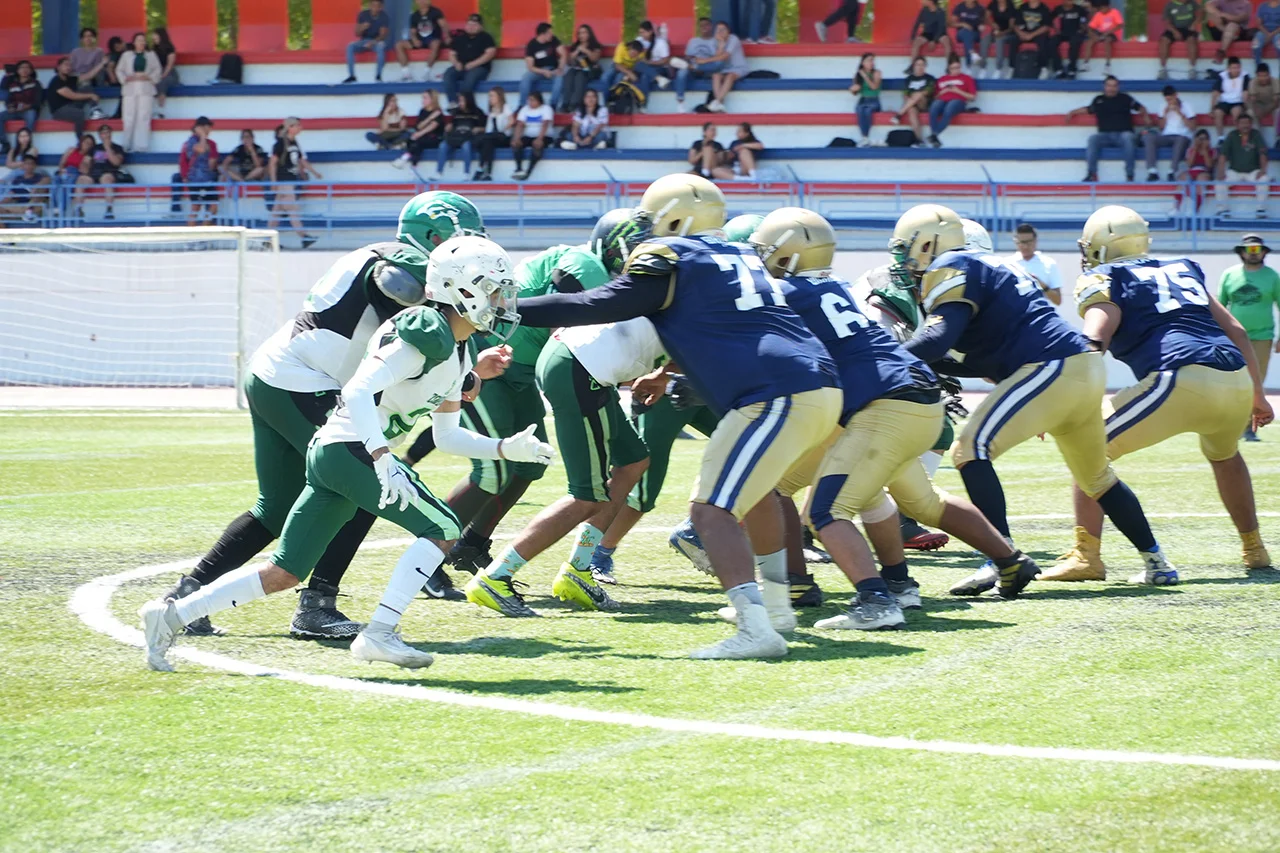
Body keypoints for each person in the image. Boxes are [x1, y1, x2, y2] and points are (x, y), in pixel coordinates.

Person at [139, 237, 550, 672]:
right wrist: (381, 455)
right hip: (348, 446)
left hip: (337, 453)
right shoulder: (424, 332)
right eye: (494, 290)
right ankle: (380, 634)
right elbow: (357, 389)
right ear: (459, 289)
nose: (503, 301)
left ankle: (170, 614)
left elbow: (447, 437)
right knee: (443, 526)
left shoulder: (458, 348)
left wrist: (505, 448)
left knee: (286, 572)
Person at [512, 174, 845, 660]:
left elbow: (598, 303)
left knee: (710, 511)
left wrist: (508, 309)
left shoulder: (674, 256)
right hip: (818, 385)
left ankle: (756, 628)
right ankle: (776, 606)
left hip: (773, 392)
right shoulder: (743, 254)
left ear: (675, 219)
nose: (646, 231)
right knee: (756, 498)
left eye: (651, 220)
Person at [160, 193, 487, 639]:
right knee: (360, 479)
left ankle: (188, 592)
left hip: (276, 374)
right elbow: (405, 297)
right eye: (462, 240)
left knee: (277, 508)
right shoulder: (403, 264)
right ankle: (317, 604)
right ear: (434, 237)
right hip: (304, 382)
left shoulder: (384, 254)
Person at [745, 209, 1038, 629]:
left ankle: (870, 600)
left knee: (825, 511)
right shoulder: (838, 287)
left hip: (882, 408)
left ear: (788, 254)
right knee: (922, 502)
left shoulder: (787, 293)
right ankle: (1005, 562)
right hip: (918, 400)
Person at [892, 203, 1176, 595]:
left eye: (907, 248)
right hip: (1081, 367)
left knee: (970, 449)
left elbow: (939, 339)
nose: (905, 259)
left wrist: (882, 361)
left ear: (929, 243)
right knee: (1096, 476)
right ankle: (1157, 561)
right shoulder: (998, 270)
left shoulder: (955, 267)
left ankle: (1001, 559)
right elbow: (982, 356)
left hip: (1051, 367)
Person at [1043, 207, 1273, 582]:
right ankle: (1254, 549)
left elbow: (1095, 338)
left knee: (1086, 446)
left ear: (1100, 246)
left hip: (1180, 376)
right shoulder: (1183, 267)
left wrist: (1059, 397)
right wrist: (1258, 395)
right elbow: (1237, 330)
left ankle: (1087, 556)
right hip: (1234, 377)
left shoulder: (1105, 276)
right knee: (1226, 455)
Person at [423, 209, 629, 581]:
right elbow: (568, 320)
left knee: (531, 462)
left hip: (519, 369)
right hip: (487, 361)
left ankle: (472, 544)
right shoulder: (584, 264)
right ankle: (428, 558)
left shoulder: (589, 266)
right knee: (492, 468)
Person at [1218, 233, 1280, 440]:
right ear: (1242, 253)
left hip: (1263, 336)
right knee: (1232, 379)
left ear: (1263, 252)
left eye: (1257, 249)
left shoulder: (1272, 276)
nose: (1253, 254)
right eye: (1249, 250)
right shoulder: (1229, 274)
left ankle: (1248, 428)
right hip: (1233, 337)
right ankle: (1229, 424)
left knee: (1256, 383)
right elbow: (1220, 306)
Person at [1067, 75, 1150, 183]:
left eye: (1114, 86)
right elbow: (1088, 109)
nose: (1111, 88)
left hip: (1123, 135)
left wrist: (1146, 118)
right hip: (1105, 136)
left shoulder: (1125, 98)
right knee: (1093, 139)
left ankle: (1130, 175)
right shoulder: (1099, 99)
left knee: (1128, 137)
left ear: (1118, 87)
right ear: (1104, 86)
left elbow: (1141, 108)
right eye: (1109, 85)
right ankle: (1091, 174)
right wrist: (1072, 112)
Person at [268, 117, 322, 249]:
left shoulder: (294, 142)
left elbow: (300, 161)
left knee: (277, 212)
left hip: (290, 180)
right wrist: (274, 181)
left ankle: (266, 240)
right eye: (297, 125)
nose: (300, 128)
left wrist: (314, 172)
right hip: (284, 180)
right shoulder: (280, 143)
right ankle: (304, 236)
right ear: (290, 127)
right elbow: (272, 163)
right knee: (292, 209)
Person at [1216, 112, 1270, 217]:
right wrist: (1221, 171)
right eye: (1242, 123)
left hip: (1253, 171)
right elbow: (1223, 155)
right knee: (1219, 181)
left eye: (1247, 123)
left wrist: (1263, 171)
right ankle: (1222, 211)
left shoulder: (1256, 134)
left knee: (1264, 179)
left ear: (1251, 124)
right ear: (1237, 124)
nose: (1245, 125)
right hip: (1235, 171)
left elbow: (1262, 153)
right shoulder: (1232, 135)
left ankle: (1261, 211)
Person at [115, 32, 161, 152]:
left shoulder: (151, 55)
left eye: (143, 40)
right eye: (138, 40)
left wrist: (149, 77)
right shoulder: (126, 55)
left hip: (145, 87)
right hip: (130, 88)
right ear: (134, 42)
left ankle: (141, 146)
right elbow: (119, 70)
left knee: (143, 116)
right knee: (128, 116)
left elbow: (157, 69)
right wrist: (125, 78)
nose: (141, 43)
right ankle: (126, 144)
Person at [442, 14, 497, 105]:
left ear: (480, 26)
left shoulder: (486, 38)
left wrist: (473, 64)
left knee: (469, 79)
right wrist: (456, 64)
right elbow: (451, 54)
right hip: (461, 67)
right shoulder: (459, 38)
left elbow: (490, 53)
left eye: (475, 25)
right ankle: (453, 103)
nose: (471, 27)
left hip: (480, 68)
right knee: (448, 75)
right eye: (469, 24)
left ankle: (466, 106)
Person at [1145, 84, 1196, 181]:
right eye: (1167, 100)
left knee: (1180, 139)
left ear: (1176, 95)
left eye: (1171, 99)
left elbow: (1193, 127)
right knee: (1149, 137)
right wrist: (1165, 114)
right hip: (1166, 136)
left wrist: (1180, 113)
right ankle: (1152, 171)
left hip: (1182, 136)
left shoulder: (1187, 106)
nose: (1169, 102)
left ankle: (1172, 171)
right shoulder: (1162, 106)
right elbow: (1161, 128)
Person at [674, 17, 725, 113]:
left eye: (706, 25)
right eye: (701, 25)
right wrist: (691, 59)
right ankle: (680, 103)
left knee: (719, 64)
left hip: (708, 70)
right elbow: (687, 57)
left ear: (711, 26)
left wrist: (704, 61)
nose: (704, 27)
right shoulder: (693, 41)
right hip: (693, 69)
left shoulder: (715, 41)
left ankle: (695, 66)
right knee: (681, 72)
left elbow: (718, 58)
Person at [1003, 223, 1062, 305]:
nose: (1025, 246)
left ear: (1035, 241)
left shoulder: (1049, 263)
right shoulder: (1007, 264)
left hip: (1042, 314)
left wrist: (1041, 285)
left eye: (1029, 242)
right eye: (1022, 242)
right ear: (1016, 241)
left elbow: (1057, 301)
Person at [177, 116, 220, 226]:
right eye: (208, 127)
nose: (210, 130)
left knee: (213, 206)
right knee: (196, 207)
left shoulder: (211, 143)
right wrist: (202, 136)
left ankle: (202, 232)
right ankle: (191, 239)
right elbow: (201, 149)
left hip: (207, 179)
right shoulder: (192, 141)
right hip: (195, 179)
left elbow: (211, 161)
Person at [45, 57, 101, 137]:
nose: (68, 67)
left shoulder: (70, 79)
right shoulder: (56, 81)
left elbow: (88, 76)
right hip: (59, 111)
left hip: (71, 106)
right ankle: (80, 139)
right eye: (66, 65)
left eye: (70, 65)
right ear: (58, 67)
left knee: (86, 88)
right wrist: (91, 95)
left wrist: (102, 63)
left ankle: (96, 111)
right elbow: (73, 96)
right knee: (79, 114)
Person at [928, 56, 977, 147]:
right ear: (949, 68)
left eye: (958, 67)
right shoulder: (941, 79)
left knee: (949, 108)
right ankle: (934, 137)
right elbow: (935, 97)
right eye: (953, 68)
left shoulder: (966, 78)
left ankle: (934, 134)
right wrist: (943, 92)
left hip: (958, 101)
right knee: (934, 107)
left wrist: (957, 91)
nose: (956, 70)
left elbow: (972, 97)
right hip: (942, 99)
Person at [395, 0, 448, 81]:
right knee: (399, 44)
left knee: (436, 43)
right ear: (416, 2)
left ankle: (426, 73)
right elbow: (412, 32)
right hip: (420, 40)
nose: (422, 2)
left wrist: (447, 37)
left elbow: (444, 26)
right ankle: (406, 74)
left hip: (433, 39)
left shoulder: (435, 12)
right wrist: (415, 39)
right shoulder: (414, 15)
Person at [435, 91, 483, 180]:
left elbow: (484, 128)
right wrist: (449, 127)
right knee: (443, 145)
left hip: (469, 138)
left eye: (462, 101)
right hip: (456, 137)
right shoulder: (457, 112)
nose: (460, 103)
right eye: (459, 101)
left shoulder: (478, 112)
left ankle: (466, 173)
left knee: (466, 146)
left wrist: (478, 129)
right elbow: (453, 125)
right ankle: (439, 172)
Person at [519, 23, 566, 111]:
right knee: (526, 77)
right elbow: (530, 67)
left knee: (560, 77)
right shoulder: (532, 45)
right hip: (538, 71)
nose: (551, 34)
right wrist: (544, 72)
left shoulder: (553, 40)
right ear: (542, 34)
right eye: (549, 33)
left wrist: (560, 68)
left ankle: (553, 105)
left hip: (553, 69)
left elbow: (563, 54)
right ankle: (522, 105)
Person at [706, 20, 750, 113]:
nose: (720, 32)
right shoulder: (713, 42)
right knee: (716, 75)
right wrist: (721, 45)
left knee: (730, 76)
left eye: (723, 29)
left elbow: (725, 56)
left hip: (739, 68)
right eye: (718, 30)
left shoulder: (733, 39)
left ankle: (717, 101)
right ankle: (719, 104)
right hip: (724, 69)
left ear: (728, 31)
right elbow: (716, 58)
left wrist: (721, 47)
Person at [343, 0, 392, 83]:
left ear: (381, 7)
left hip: (376, 42)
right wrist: (362, 27)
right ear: (370, 5)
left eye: (377, 6)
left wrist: (372, 42)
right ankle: (352, 76)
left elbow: (383, 36)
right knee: (350, 46)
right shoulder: (363, 15)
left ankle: (378, 76)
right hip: (364, 41)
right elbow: (357, 33)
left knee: (381, 47)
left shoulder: (384, 16)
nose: (375, 8)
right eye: (373, 5)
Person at [393, 90, 444, 170]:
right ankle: (414, 166)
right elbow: (419, 126)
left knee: (418, 141)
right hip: (423, 137)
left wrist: (419, 134)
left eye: (425, 98)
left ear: (432, 99)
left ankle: (405, 158)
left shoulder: (438, 112)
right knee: (413, 141)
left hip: (435, 138)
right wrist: (430, 118)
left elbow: (433, 126)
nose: (422, 100)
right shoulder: (422, 111)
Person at [560, 24, 604, 113]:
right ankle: (565, 103)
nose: (581, 35)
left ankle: (574, 104)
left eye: (584, 33)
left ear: (589, 34)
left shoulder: (595, 45)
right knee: (569, 75)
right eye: (579, 33)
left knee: (580, 76)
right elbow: (569, 62)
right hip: (577, 69)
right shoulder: (575, 45)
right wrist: (576, 52)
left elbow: (594, 58)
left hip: (590, 70)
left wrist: (585, 50)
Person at [87, 124, 127, 220]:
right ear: (100, 135)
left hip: (109, 173)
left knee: (106, 179)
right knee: (81, 180)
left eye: (108, 132)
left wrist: (108, 148)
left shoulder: (118, 148)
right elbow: (86, 162)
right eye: (103, 133)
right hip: (95, 173)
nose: (106, 135)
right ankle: (78, 210)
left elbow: (116, 162)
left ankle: (109, 210)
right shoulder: (94, 148)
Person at [892, 56, 935, 144]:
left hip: (925, 103)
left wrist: (915, 95)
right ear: (914, 66)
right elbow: (905, 95)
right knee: (911, 111)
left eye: (922, 65)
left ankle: (899, 114)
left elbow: (927, 92)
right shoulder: (909, 79)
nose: (920, 67)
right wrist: (910, 99)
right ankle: (919, 140)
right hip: (912, 104)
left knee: (919, 94)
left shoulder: (930, 78)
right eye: (918, 65)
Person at [511, 91, 553, 180]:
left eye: (533, 100)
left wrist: (539, 138)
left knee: (537, 145)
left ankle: (528, 171)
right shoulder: (525, 109)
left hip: (544, 136)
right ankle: (519, 168)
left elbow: (545, 124)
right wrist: (516, 138)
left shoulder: (546, 108)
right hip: (528, 136)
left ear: (539, 101)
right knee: (516, 144)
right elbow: (520, 125)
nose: (530, 102)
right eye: (529, 100)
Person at [474, 87, 513, 181]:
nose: (490, 98)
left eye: (492, 96)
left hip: (504, 137)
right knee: (488, 143)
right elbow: (488, 129)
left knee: (485, 139)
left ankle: (480, 168)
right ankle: (487, 172)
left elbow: (512, 121)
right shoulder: (491, 111)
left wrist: (503, 129)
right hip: (492, 137)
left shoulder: (505, 107)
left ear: (499, 97)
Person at [1158, 0, 1202, 81]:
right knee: (1164, 40)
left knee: (1192, 40)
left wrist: (1194, 24)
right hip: (1174, 28)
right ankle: (1162, 69)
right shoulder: (1170, 5)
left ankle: (1192, 69)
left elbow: (1200, 13)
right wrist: (1175, 32)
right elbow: (1167, 23)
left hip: (1189, 29)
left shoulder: (1192, 3)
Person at [0, 154, 50, 224]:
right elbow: (11, 195)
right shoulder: (17, 179)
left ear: (35, 166)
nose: (29, 166)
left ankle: (28, 212)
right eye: (27, 164)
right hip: (19, 206)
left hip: (34, 205)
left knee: (39, 195)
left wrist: (36, 187)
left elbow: (47, 180)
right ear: (22, 165)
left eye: (31, 164)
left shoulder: (40, 177)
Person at [55, 133, 95, 219]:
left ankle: (61, 209)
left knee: (68, 184)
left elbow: (84, 171)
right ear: (81, 142)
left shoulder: (88, 158)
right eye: (86, 142)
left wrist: (86, 161)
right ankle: (56, 207)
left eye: (90, 144)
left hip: (76, 173)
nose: (87, 145)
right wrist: (62, 170)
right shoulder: (71, 150)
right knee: (55, 181)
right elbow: (62, 163)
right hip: (65, 171)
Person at [1013, 0, 1055, 78]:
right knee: (1013, 41)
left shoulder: (1044, 8)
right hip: (1024, 33)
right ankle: (1012, 68)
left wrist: (1032, 35)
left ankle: (1044, 68)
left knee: (1044, 42)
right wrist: (1020, 33)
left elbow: (1046, 27)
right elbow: (1015, 24)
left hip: (1038, 33)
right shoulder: (1023, 7)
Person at [1081, 0, 1124, 75]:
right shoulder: (1098, 14)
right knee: (1090, 41)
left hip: (1113, 33)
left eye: (1103, 8)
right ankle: (1086, 63)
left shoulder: (1115, 12)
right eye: (1100, 9)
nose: (1102, 10)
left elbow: (1120, 25)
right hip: (1101, 33)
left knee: (1107, 41)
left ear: (1108, 6)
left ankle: (1107, 66)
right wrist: (1093, 35)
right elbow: (1090, 27)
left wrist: (1108, 32)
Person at [1207, 0, 1253, 69]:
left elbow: (1240, 18)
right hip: (1222, 29)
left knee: (1231, 25)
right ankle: (1228, 34)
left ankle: (1221, 52)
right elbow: (1208, 5)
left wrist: (1225, 15)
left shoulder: (1245, 3)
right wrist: (1218, 13)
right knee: (1211, 16)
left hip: (1239, 31)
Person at [1211, 56, 1250, 140]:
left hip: (1238, 101)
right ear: (1228, 68)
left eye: (1238, 67)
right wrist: (1212, 108)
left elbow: (1245, 92)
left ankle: (1239, 137)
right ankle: (1220, 138)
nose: (1236, 70)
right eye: (1233, 68)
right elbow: (1215, 93)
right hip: (1224, 101)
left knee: (1236, 113)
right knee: (1217, 112)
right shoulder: (1222, 76)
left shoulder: (1245, 75)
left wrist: (1246, 107)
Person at [908, 0, 952, 70]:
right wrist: (912, 37)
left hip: (939, 33)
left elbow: (941, 28)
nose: (922, 1)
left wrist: (934, 41)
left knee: (946, 41)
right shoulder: (924, 10)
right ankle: (912, 66)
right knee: (916, 42)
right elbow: (917, 23)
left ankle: (949, 66)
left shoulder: (941, 12)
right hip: (928, 33)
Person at [851, 52, 882, 147]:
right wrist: (853, 90)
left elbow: (874, 87)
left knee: (868, 111)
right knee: (859, 110)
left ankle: (866, 136)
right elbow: (855, 92)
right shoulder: (858, 74)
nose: (872, 63)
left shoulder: (877, 73)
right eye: (869, 60)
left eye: (873, 60)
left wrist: (865, 76)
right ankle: (864, 137)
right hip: (863, 99)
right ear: (863, 63)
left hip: (874, 100)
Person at [1, 60, 41, 131]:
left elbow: (38, 102)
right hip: (15, 111)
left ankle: (26, 139)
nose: (24, 70)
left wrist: (27, 106)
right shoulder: (12, 84)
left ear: (31, 71)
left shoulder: (36, 84)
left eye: (27, 67)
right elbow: (6, 95)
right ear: (17, 70)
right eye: (21, 68)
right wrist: (10, 107)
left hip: (28, 110)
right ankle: (3, 140)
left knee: (31, 115)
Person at [1055, 0, 1089, 79]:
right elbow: (1051, 21)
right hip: (1062, 33)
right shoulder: (1058, 9)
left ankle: (1072, 69)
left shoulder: (1079, 9)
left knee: (1074, 43)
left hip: (1075, 33)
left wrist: (1082, 29)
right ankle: (1058, 68)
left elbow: (1085, 21)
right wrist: (1056, 29)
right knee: (1052, 43)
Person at [985, 0, 1019, 79]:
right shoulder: (993, 4)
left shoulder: (1011, 7)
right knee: (985, 39)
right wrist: (992, 24)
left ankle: (998, 68)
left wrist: (1002, 33)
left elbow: (1011, 28)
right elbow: (986, 17)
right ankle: (982, 67)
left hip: (1009, 33)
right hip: (997, 32)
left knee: (999, 39)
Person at [1246, 63, 1280, 140]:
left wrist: (1264, 111)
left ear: (1269, 74)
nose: (1263, 78)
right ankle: (1258, 139)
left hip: (1272, 105)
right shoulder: (1252, 83)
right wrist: (1258, 111)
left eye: (1265, 75)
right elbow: (1253, 101)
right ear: (1257, 75)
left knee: (1279, 111)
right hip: (1258, 105)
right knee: (1250, 113)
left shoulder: (1275, 81)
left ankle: (1278, 138)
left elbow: (1276, 101)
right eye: (1260, 76)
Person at [150, 28, 178, 119]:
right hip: (156, 72)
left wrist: (163, 75)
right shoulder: (153, 49)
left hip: (168, 73)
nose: (153, 37)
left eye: (155, 34)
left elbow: (169, 65)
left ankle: (161, 103)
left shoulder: (169, 47)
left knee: (162, 82)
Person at [951, 0, 987, 71]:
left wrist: (981, 26)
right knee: (966, 33)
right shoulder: (959, 7)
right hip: (961, 33)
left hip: (975, 33)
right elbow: (951, 23)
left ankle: (969, 65)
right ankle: (972, 55)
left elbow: (983, 23)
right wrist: (963, 24)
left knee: (968, 37)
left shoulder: (980, 8)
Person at [1256, 0, 1280, 68]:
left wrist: (1272, 34)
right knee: (1255, 45)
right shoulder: (1262, 6)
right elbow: (1259, 24)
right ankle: (1259, 68)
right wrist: (1267, 33)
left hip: (1278, 32)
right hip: (1264, 31)